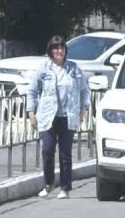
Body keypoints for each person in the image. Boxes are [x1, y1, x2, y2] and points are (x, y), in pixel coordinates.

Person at [27, 36, 90, 199]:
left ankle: (65, 187)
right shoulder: (43, 69)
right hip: (48, 116)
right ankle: (48, 184)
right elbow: (32, 91)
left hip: (67, 116)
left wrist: (84, 108)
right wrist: (31, 112)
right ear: (51, 51)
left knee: (65, 153)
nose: (59, 51)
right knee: (47, 150)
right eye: (55, 48)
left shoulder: (73, 69)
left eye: (61, 48)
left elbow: (84, 90)